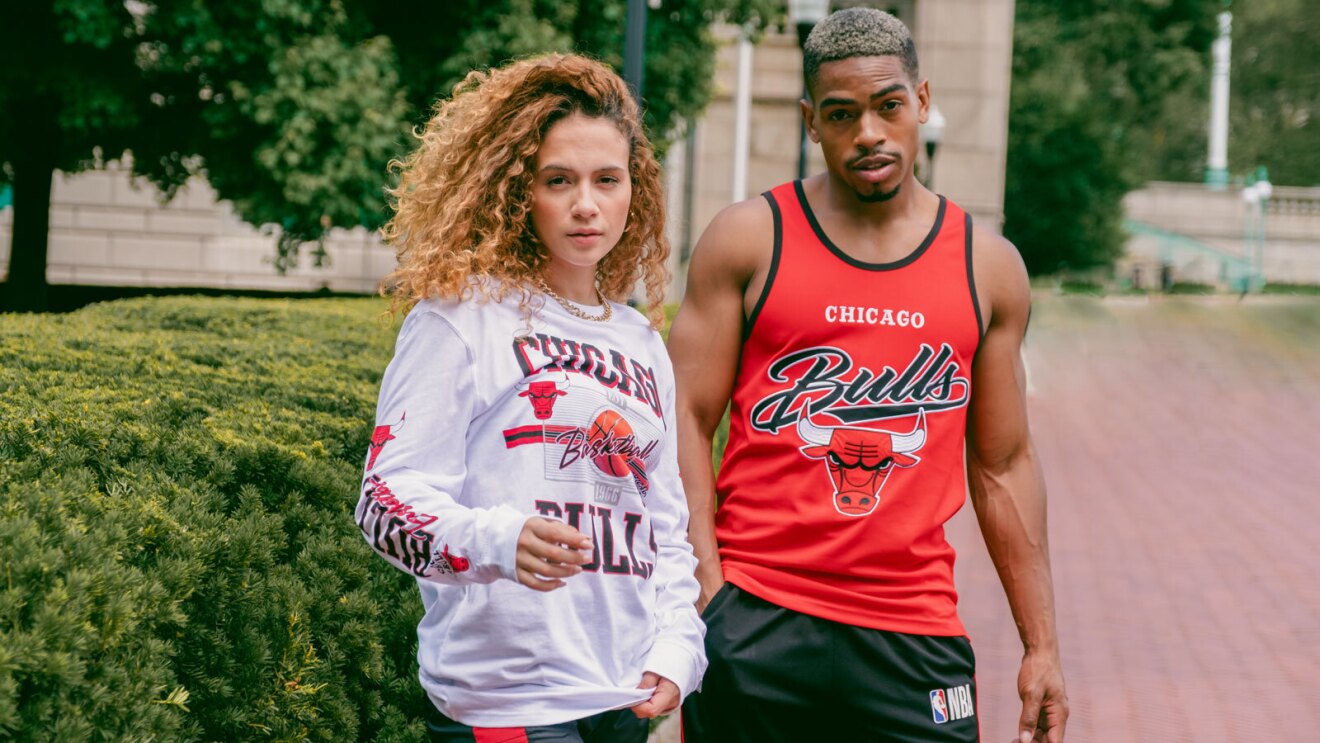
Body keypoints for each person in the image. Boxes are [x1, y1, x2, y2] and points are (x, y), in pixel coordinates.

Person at [670, 8, 1067, 743]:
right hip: (756, 615)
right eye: (842, 114)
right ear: (811, 122)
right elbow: (683, 419)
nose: (869, 134)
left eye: (888, 106)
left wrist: (1041, 644)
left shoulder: (988, 267)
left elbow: (1004, 463)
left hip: (912, 628)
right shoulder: (750, 239)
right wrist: (706, 592)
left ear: (921, 99)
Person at [356, 53, 705, 743]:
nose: (586, 203)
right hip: (507, 699)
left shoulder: (640, 340)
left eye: (607, 180)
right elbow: (384, 501)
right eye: (558, 180)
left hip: (619, 697)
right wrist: (500, 539)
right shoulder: (461, 317)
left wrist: (677, 647)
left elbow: (665, 524)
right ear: (519, 191)